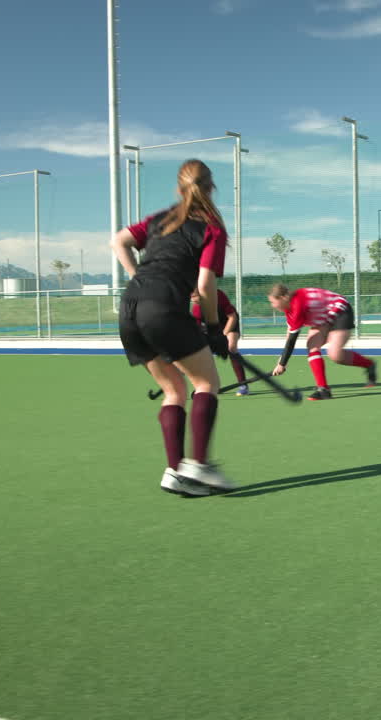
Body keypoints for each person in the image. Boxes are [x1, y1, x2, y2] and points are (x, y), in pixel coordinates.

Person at [111, 159, 235, 498]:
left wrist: (139, 277)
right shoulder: (211, 226)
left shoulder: (158, 219)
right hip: (162, 307)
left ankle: (175, 470)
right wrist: (213, 330)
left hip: (130, 307)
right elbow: (206, 285)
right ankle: (198, 465)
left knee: (174, 392)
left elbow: (119, 241)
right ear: (211, 188)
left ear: (178, 190)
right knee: (206, 383)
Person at [267, 284, 377, 400]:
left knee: (335, 355)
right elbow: (290, 333)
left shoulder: (298, 303)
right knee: (312, 346)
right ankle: (323, 389)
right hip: (324, 318)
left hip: (340, 311)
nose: (272, 306)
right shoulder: (288, 308)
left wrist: (282, 364)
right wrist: (282, 360)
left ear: (283, 298)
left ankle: (369, 364)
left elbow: (292, 339)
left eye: (273, 302)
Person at [191, 288, 250, 395]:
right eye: (191, 297)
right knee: (203, 352)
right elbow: (197, 331)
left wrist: (222, 337)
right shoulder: (197, 310)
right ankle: (210, 384)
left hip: (229, 322)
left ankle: (243, 384)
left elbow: (232, 317)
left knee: (231, 347)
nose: (193, 300)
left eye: (195, 296)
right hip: (213, 328)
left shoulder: (217, 295)